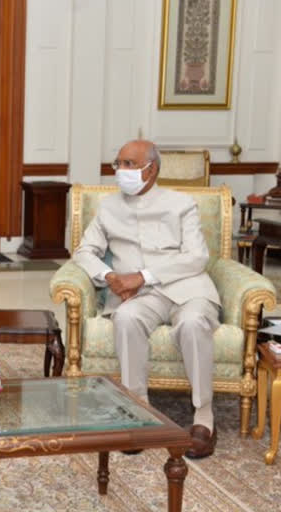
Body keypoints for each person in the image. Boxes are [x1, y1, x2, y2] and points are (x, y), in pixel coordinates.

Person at [72, 139, 220, 459]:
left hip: (187, 287)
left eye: (128, 164)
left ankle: (204, 419)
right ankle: (139, 413)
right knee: (125, 318)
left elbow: (197, 257)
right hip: (138, 296)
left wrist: (143, 275)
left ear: (150, 170)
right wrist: (108, 276)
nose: (120, 171)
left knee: (193, 324)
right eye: (118, 163)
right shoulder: (108, 207)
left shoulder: (181, 204)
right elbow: (84, 251)